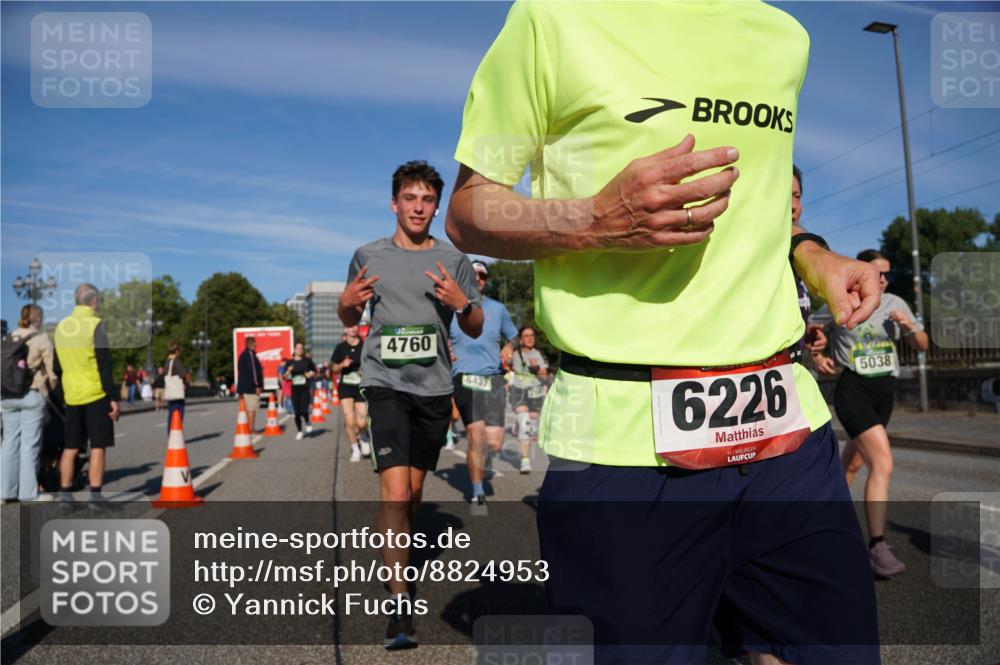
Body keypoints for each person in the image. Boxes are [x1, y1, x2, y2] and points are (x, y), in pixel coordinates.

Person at [446, 3, 884, 663]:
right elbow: (470, 209)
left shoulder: (783, 37)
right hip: (622, 445)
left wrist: (815, 257)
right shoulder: (552, 20)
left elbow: (763, 208)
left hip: (785, 428)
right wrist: (596, 216)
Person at [338, 160, 482, 650]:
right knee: (396, 492)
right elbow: (348, 310)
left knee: (413, 493)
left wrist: (462, 301)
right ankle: (399, 606)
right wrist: (347, 299)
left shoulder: (453, 258)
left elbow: (476, 324)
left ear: (435, 205)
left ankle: (393, 538)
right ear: (394, 203)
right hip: (384, 384)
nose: (417, 207)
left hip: (434, 388)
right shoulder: (366, 255)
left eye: (426, 200)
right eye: (409, 198)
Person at [813, 249, 928, 578]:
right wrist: (817, 355)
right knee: (883, 463)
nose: (883, 280)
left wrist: (908, 326)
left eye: (887, 274)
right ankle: (877, 547)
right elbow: (809, 330)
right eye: (878, 274)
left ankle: (822, 522)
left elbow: (922, 345)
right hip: (854, 390)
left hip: (884, 393)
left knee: (852, 463)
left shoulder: (895, 303)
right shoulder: (842, 299)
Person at [450, 259, 518, 508]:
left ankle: (480, 459)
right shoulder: (452, 309)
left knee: (494, 442)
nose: (477, 278)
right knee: (475, 436)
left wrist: (510, 347)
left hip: (493, 378)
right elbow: (438, 335)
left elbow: (514, 335)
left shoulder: (497, 309)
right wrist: (446, 349)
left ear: (486, 281)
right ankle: (478, 493)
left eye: (482, 276)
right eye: (473, 274)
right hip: (464, 376)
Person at [53, 284, 119, 505]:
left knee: (71, 447)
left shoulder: (61, 327)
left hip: (72, 396)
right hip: (95, 394)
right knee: (98, 446)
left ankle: (65, 494)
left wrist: (64, 392)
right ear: (94, 301)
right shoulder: (96, 325)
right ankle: (96, 496)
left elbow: (57, 367)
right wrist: (113, 398)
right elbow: (104, 365)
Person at [1, 304, 57, 502]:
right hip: (31, 394)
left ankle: (4, 492)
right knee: (30, 446)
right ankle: (28, 494)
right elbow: (52, 372)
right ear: (38, 318)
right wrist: (47, 391)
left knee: (9, 444)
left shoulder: (7, 337)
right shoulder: (41, 339)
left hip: (6, 396)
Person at [790, 164, 827, 364]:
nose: (794, 205)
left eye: (797, 196)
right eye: (784, 195)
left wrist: (804, 333)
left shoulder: (797, 262)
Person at [508, 326, 548, 474]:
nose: (530, 338)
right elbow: (506, 365)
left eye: (532, 335)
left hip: (535, 393)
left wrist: (536, 367)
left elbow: (544, 377)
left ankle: (519, 423)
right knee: (525, 423)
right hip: (519, 392)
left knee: (531, 428)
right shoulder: (515, 354)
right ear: (521, 339)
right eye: (526, 336)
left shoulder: (538, 355)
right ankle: (525, 460)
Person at [331, 326, 370, 462]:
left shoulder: (365, 346)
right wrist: (342, 364)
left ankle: (364, 434)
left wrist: (364, 371)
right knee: (349, 421)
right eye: (349, 326)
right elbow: (334, 369)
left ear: (357, 328)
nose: (352, 329)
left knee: (361, 421)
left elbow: (372, 365)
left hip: (360, 386)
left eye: (355, 325)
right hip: (346, 387)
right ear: (345, 329)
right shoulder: (340, 347)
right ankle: (355, 449)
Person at [283, 342, 316, 440]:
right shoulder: (289, 362)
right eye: (298, 348)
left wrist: (310, 374)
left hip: (305, 388)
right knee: (296, 412)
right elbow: (284, 376)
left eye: (301, 348)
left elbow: (314, 370)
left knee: (304, 410)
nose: (299, 350)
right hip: (295, 389)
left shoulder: (307, 361)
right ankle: (300, 431)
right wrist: (288, 371)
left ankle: (307, 421)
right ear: (294, 349)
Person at [236, 336, 264, 433]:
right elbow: (254, 372)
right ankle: (251, 428)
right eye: (254, 343)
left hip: (244, 386)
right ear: (250, 344)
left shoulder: (242, 355)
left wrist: (239, 390)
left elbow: (240, 373)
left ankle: (248, 428)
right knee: (252, 408)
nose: (256, 345)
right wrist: (257, 386)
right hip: (250, 387)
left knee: (248, 408)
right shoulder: (250, 355)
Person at [162, 342, 189, 427]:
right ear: (176, 351)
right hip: (177, 392)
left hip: (170, 391)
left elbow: (165, 373)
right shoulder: (176, 361)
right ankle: (176, 433)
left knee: (171, 413)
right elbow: (183, 374)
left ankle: (171, 434)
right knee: (178, 413)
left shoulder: (167, 361)